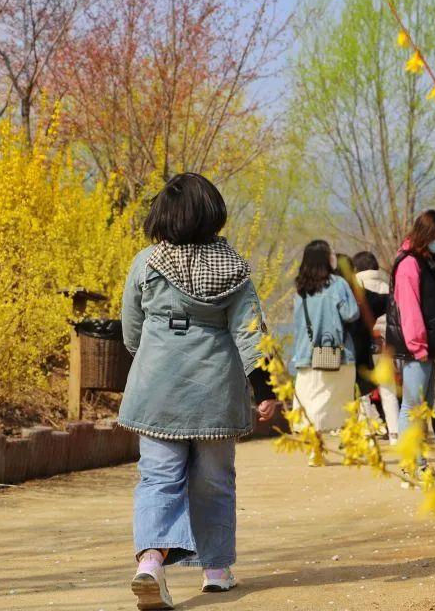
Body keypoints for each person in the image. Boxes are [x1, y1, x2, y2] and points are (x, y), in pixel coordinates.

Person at [120, 172, 275, 607]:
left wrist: (153, 359)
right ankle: (216, 568)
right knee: (214, 482)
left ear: (162, 216)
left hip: (156, 390)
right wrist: (263, 388)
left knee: (158, 478)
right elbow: (249, 333)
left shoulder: (146, 262)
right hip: (215, 395)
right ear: (212, 214)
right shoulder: (234, 268)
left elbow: (131, 332)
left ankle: (151, 561)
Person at [386, 210, 435, 465]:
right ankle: (412, 463)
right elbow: (410, 308)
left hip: (431, 345)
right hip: (417, 348)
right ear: (424, 234)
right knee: (413, 406)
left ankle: (418, 461)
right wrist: (418, 345)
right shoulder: (409, 264)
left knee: (424, 406)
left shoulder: (429, 263)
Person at [289, 240, 360, 463]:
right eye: (331, 253)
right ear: (325, 258)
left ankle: (315, 450)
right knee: (343, 404)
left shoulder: (300, 288)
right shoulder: (338, 284)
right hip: (337, 354)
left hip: (307, 355)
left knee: (310, 403)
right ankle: (349, 449)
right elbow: (351, 314)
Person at [352, 250, 399, 441]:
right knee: (389, 391)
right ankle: (395, 433)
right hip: (387, 345)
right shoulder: (388, 287)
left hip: (363, 345)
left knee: (362, 391)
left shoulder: (355, 288)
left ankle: (366, 432)